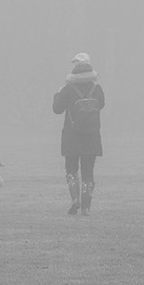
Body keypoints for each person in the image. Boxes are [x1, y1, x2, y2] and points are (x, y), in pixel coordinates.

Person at [52, 53, 105, 216]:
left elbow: (57, 109)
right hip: (92, 136)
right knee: (88, 172)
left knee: (71, 169)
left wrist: (58, 94)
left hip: (71, 136)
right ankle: (86, 208)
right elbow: (101, 105)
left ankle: (75, 200)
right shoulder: (97, 88)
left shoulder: (68, 89)